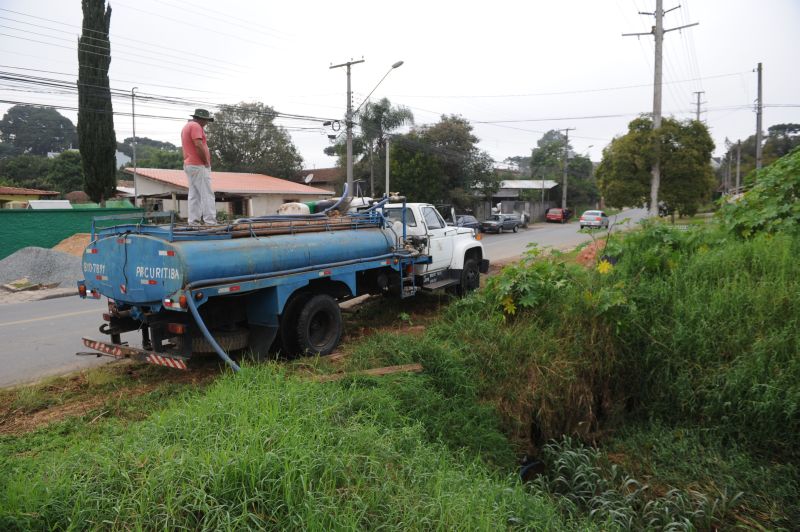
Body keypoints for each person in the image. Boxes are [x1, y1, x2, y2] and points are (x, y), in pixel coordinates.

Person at [181, 108, 216, 225]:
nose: (206, 123)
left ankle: (193, 222)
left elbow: (186, 148)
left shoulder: (187, 126)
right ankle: (210, 221)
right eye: (206, 120)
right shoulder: (196, 126)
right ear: (201, 119)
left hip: (189, 164)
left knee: (194, 194)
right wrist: (206, 161)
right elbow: (198, 144)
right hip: (198, 165)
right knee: (207, 193)